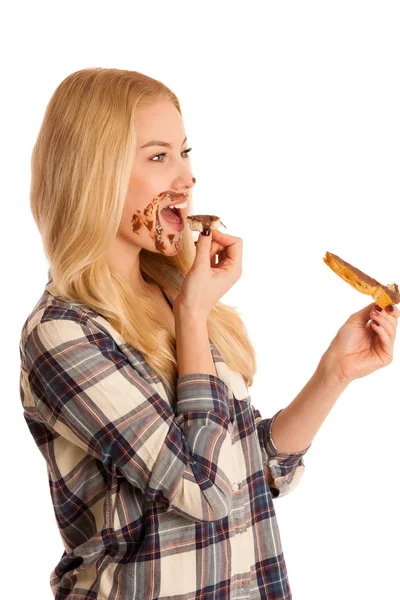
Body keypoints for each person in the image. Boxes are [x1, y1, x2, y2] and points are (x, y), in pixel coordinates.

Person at [19, 68, 398, 600]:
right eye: (157, 157)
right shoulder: (63, 335)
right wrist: (194, 315)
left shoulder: (172, 296)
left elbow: (253, 473)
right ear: (93, 175)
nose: (186, 179)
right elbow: (204, 489)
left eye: (184, 152)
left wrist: (334, 372)